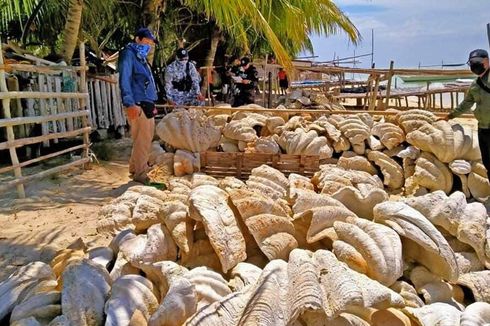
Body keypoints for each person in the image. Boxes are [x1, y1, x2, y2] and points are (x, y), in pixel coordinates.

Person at [118, 27, 159, 184]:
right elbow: (125, 79)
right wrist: (129, 103)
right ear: (137, 39)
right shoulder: (128, 54)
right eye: (146, 41)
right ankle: (141, 174)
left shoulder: (141, 58)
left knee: (143, 137)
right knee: (143, 139)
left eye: (150, 43)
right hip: (137, 103)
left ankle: (134, 168)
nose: (148, 45)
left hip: (146, 102)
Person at [445, 48, 490, 179]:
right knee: (487, 162)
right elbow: (466, 104)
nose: (474, 65)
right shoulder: (475, 85)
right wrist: (450, 116)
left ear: (486, 62)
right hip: (482, 128)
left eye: (477, 62)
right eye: (471, 62)